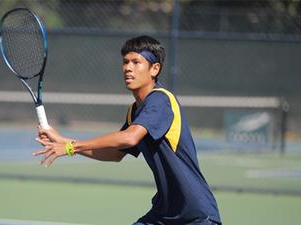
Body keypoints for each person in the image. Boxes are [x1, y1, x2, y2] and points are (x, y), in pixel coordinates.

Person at [33, 35, 222, 225]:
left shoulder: (160, 100)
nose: (128, 68)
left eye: (136, 62)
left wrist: (71, 147)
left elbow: (130, 138)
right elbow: (115, 153)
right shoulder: (135, 110)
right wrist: (64, 141)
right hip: (164, 214)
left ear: (155, 69)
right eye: (125, 62)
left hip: (196, 215)